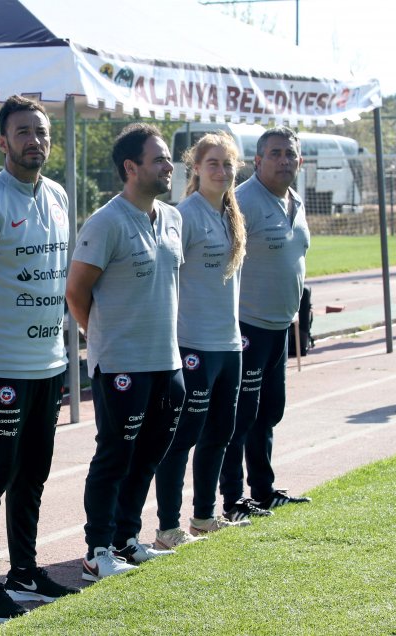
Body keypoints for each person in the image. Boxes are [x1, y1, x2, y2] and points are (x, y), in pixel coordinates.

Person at [0, 95, 77, 624]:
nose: (35, 140)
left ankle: (24, 571)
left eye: (42, 131)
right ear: (3, 141)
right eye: (23, 132)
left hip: (49, 366)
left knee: (33, 474)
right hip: (0, 368)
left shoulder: (57, 196)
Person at [67, 123, 185, 581]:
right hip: (120, 363)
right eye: (158, 159)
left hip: (167, 360)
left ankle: (126, 539)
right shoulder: (106, 222)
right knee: (115, 455)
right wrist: (99, 333)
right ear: (130, 168)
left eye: (167, 159)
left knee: (150, 454)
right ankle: (97, 551)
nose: (168, 165)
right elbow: (76, 291)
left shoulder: (173, 219)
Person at [153, 132, 250, 549]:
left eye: (228, 164)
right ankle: (168, 527)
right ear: (196, 167)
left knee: (220, 434)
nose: (222, 171)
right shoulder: (185, 214)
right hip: (193, 343)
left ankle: (205, 516)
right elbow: (168, 277)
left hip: (229, 344)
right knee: (183, 436)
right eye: (213, 163)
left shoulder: (232, 214)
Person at [218, 126, 312, 522]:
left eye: (289, 154)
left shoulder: (295, 201)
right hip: (248, 327)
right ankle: (232, 499)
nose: (283, 160)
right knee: (241, 416)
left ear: (300, 160)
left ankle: (263, 490)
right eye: (275, 154)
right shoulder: (242, 203)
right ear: (257, 161)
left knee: (270, 410)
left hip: (280, 325)